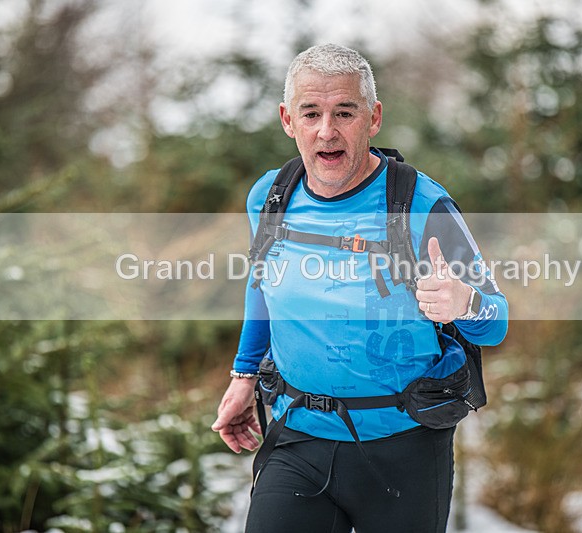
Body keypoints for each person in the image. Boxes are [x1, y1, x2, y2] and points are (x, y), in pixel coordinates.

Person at [212, 43, 508, 533]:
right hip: (298, 437)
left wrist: (465, 303)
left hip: (405, 449)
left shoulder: (420, 205)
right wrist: (244, 375)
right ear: (288, 120)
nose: (326, 131)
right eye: (311, 113)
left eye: (344, 113)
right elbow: (262, 283)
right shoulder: (271, 197)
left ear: (374, 118)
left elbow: (495, 323)